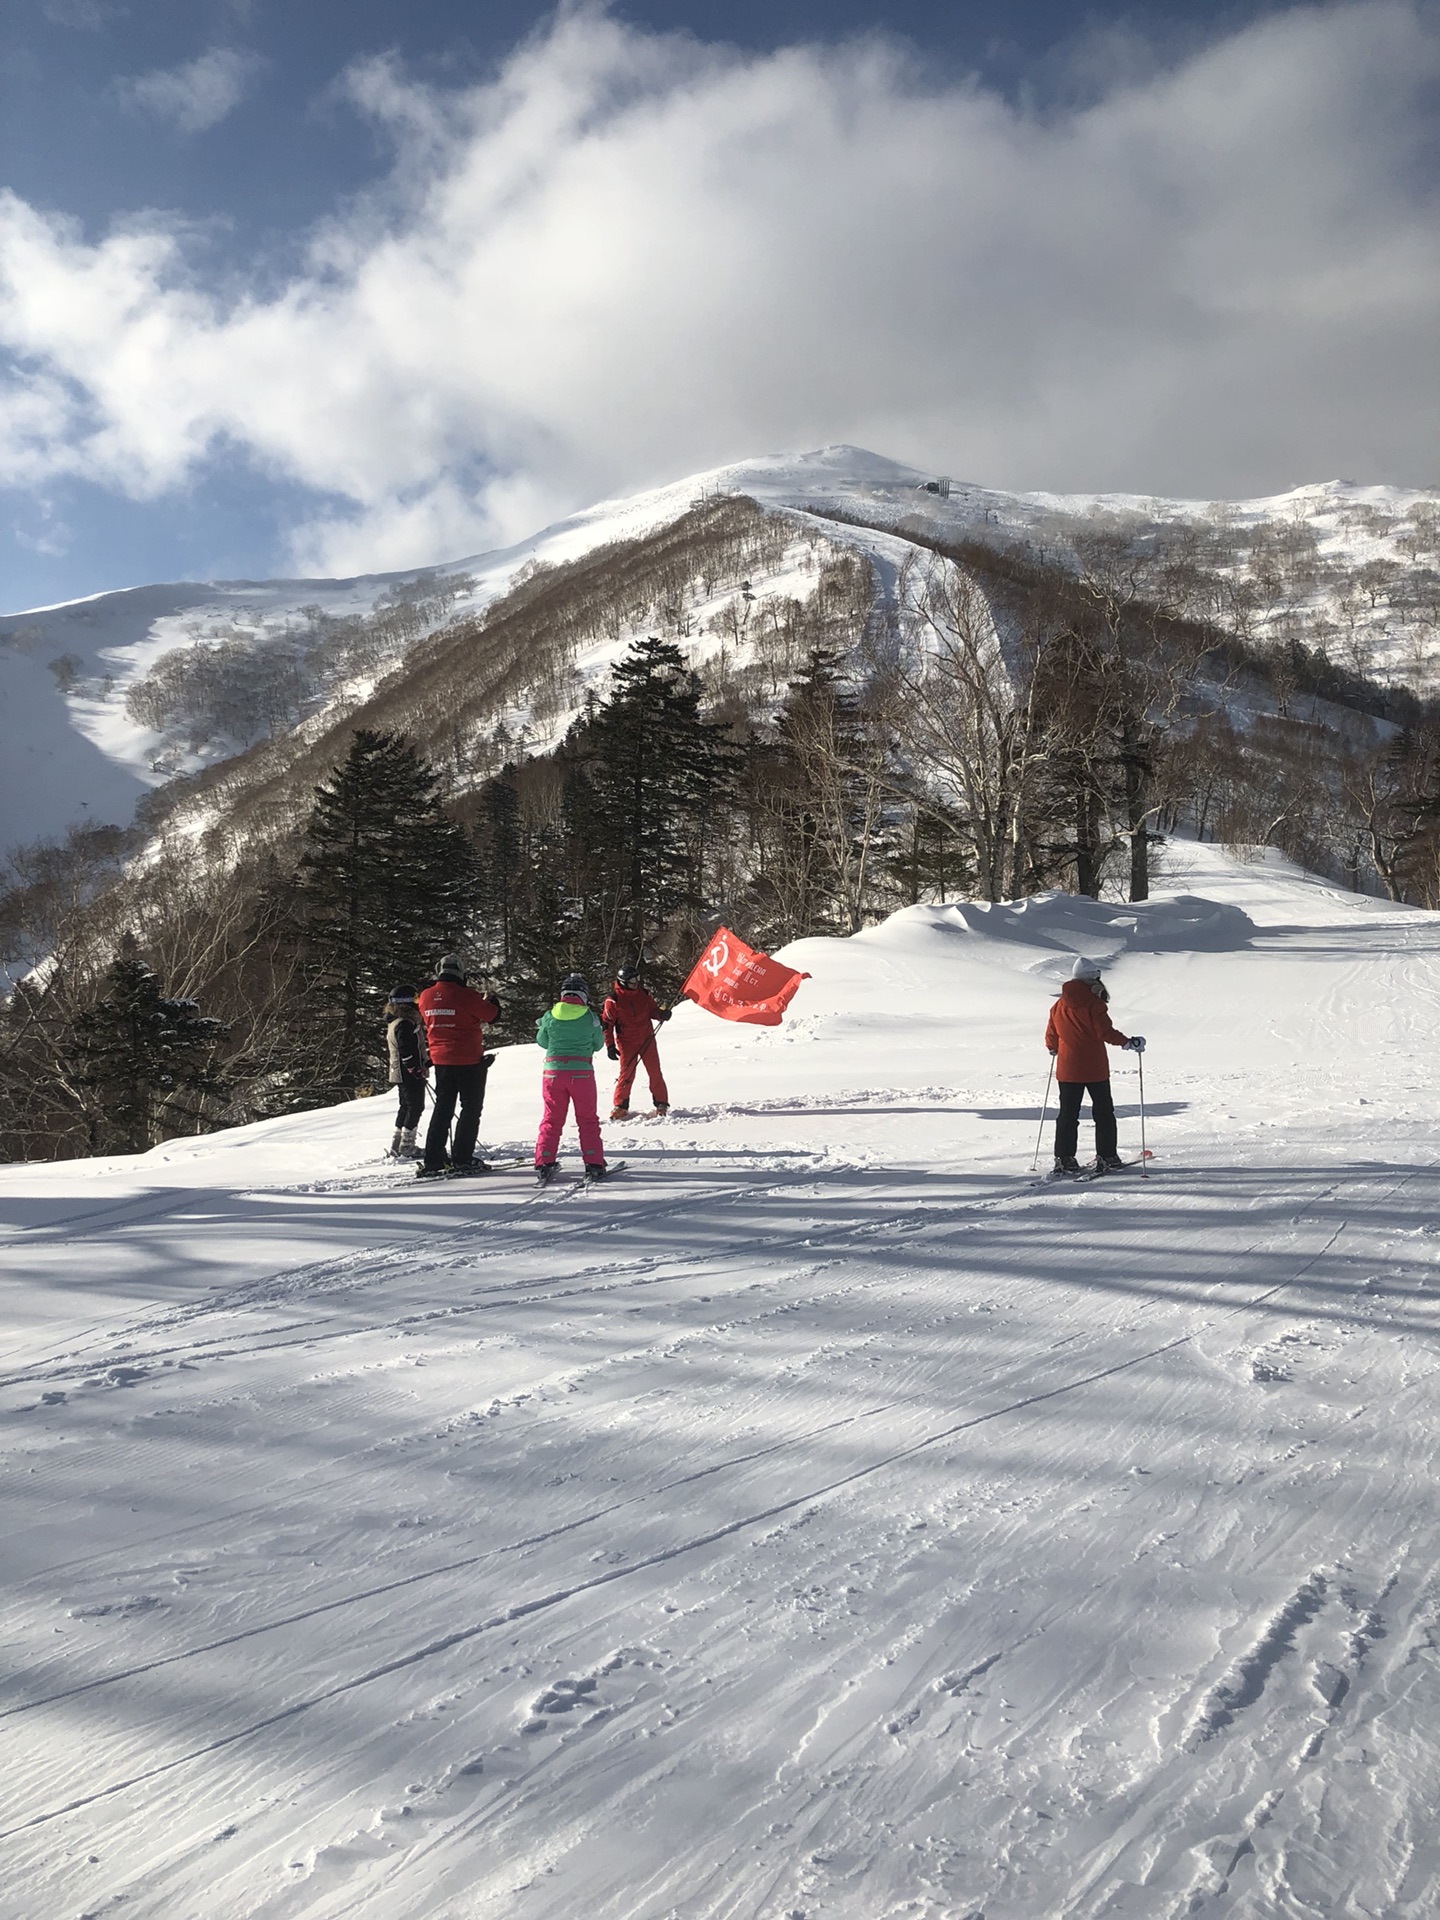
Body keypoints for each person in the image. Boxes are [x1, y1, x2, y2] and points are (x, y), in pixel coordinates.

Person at [1044, 957, 1145, 1176]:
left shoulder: (1058, 1005)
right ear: (1092, 978)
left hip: (1067, 1069)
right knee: (1104, 1113)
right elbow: (1105, 1033)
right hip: (1093, 1068)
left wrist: (1053, 1047)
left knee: (1068, 1115)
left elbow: (1051, 1034)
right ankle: (1107, 1156)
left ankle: (1064, 1158)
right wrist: (1128, 1042)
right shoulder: (1094, 1003)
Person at [416, 955, 502, 1178]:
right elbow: (493, 1016)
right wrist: (491, 1000)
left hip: (441, 1060)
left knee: (442, 1109)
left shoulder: (425, 997)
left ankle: (433, 1158)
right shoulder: (466, 995)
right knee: (470, 1110)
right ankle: (462, 1157)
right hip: (469, 1061)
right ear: (461, 973)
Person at [534, 972, 608, 1182]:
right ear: (583, 995)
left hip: (553, 1073)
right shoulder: (590, 1017)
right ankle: (594, 1163)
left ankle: (544, 1160)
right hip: (581, 1073)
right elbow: (598, 1045)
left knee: (551, 1118)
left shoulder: (550, 1015)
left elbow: (542, 1041)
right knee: (587, 1120)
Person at [601, 962, 672, 1120]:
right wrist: (610, 1045)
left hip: (647, 1038)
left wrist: (661, 1014)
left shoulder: (643, 994)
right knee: (626, 1074)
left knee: (655, 1071)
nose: (636, 984)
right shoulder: (613, 1001)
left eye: (638, 980)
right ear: (624, 982)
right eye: (633, 981)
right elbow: (607, 1024)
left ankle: (661, 1104)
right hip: (627, 1042)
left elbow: (652, 1010)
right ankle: (620, 1106)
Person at [384, 988, 428, 1159]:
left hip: (400, 1071)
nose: (418, 1003)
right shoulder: (404, 1023)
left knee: (406, 1106)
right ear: (406, 1001)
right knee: (416, 1106)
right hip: (407, 1072)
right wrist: (414, 1067)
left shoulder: (396, 1021)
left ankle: (397, 1145)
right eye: (415, 999)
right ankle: (407, 1146)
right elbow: (406, 1048)